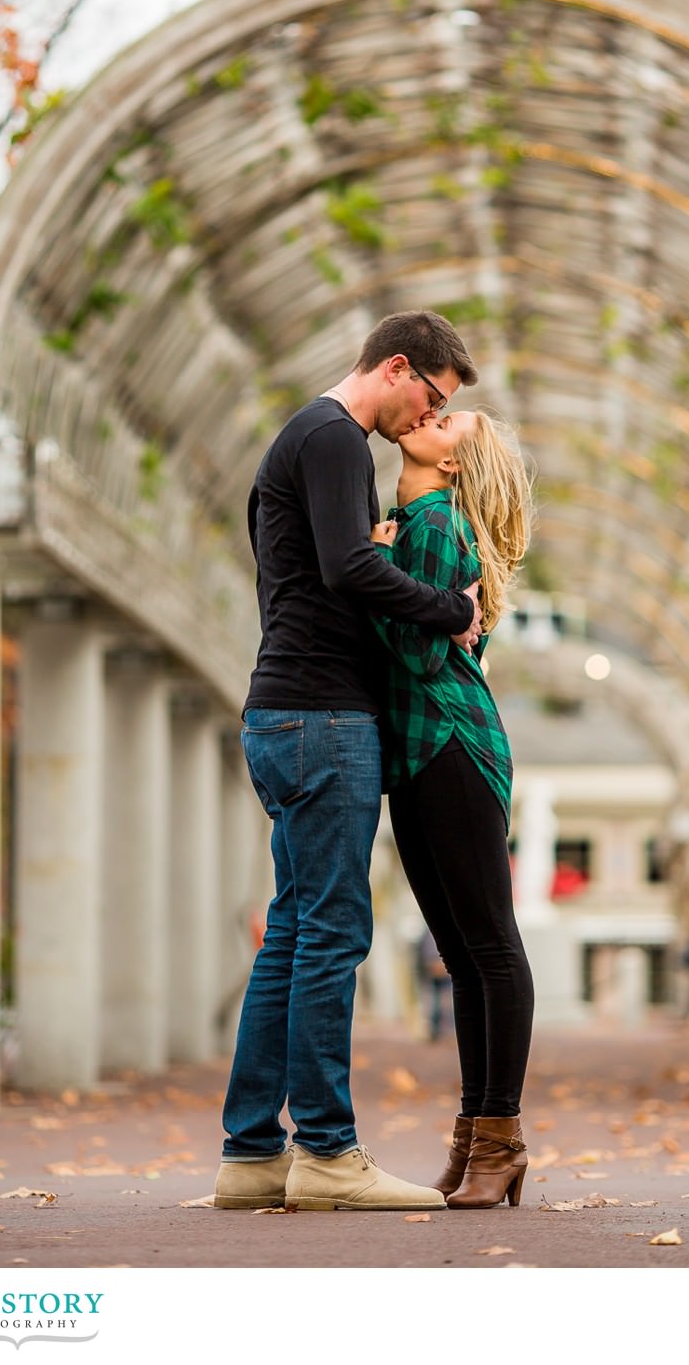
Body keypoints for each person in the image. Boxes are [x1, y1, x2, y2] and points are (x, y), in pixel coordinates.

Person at [214, 311, 483, 1214]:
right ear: (398, 367)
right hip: (323, 716)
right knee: (332, 935)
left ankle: (251, 1155)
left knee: (293, 934)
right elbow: (343, 571)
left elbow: (324, 566)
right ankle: (326, 1154)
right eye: (433, 397)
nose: (427, 417)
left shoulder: (311, 438)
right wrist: (450, 609)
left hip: (285, 712)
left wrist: (377, 556)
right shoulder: (336, 439)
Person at [369, 406, 536, 1208]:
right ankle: (475, 1140)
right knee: (463, 960)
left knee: (490, 950)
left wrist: (368, 570)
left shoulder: (429, 525)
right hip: (423, 752)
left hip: (448, 748)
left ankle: (500, 1141)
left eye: (449, 423)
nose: (429, 416)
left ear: (454, 467)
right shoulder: (406, 521)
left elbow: (413, 646)